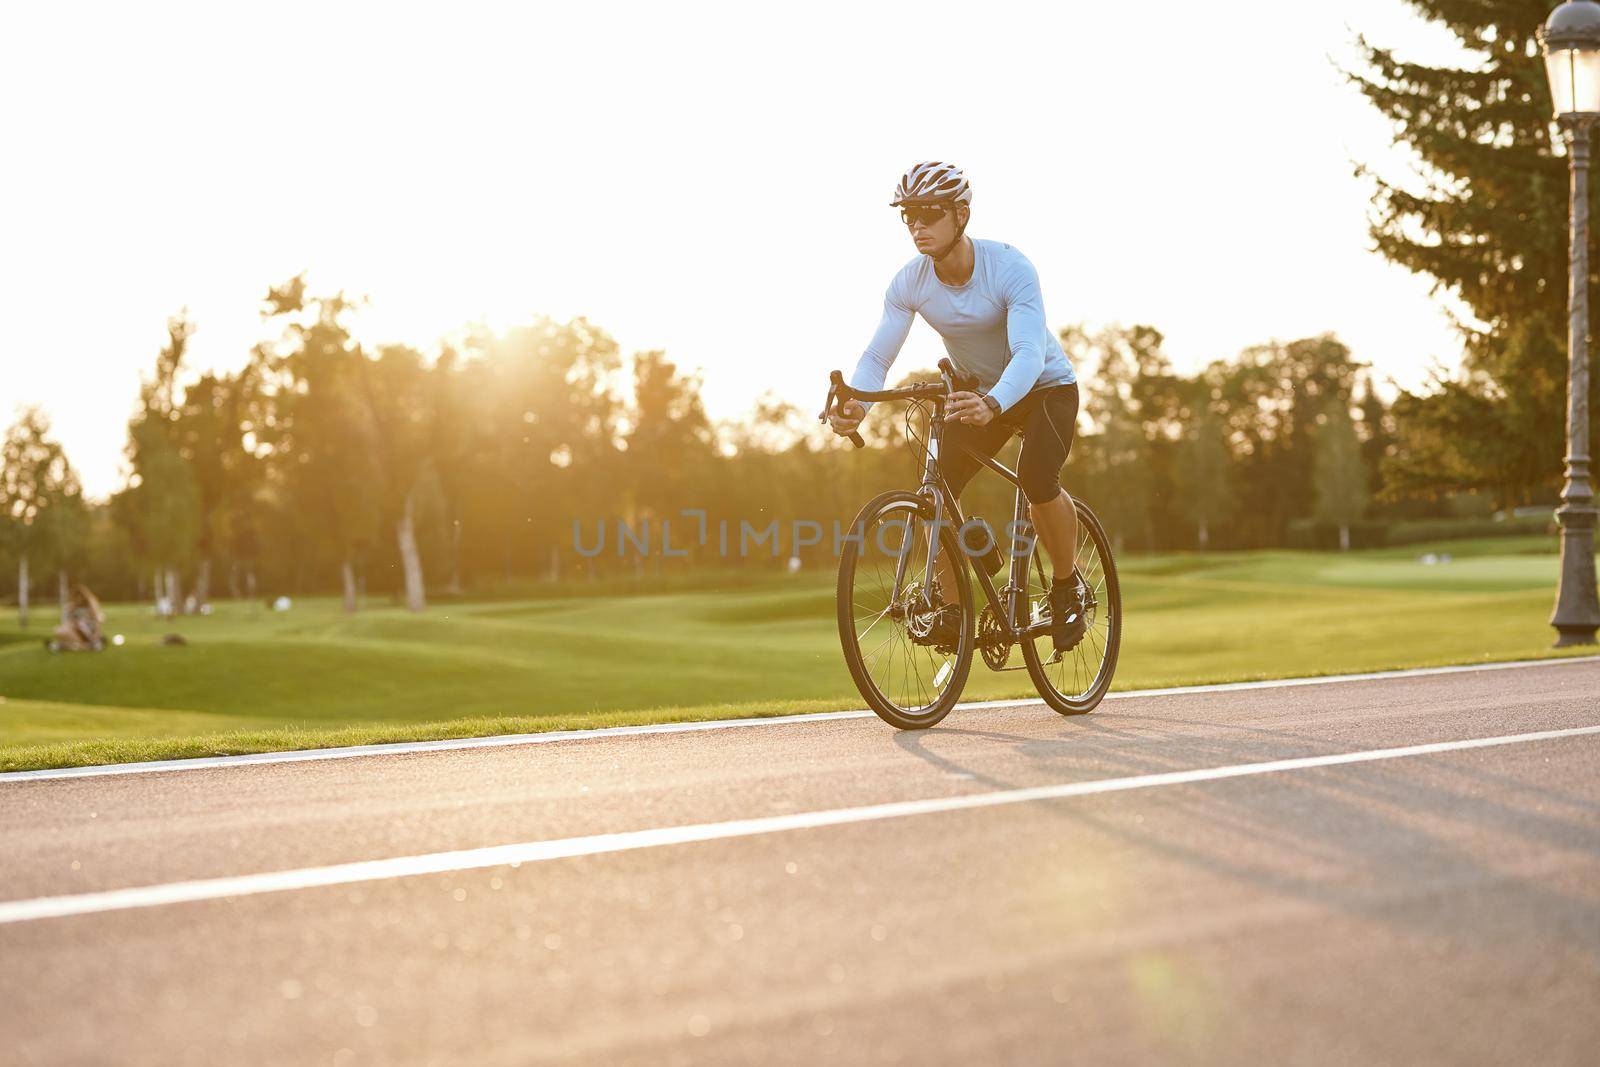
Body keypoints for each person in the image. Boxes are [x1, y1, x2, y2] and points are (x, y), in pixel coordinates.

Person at [828, 161, 1088, 652]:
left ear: (961, 214)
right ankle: (954, 606)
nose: (917, 226)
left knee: (1036, 478)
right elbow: (877, 356)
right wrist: (857, 405)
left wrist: (994, 402)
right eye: (908, 216)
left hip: (1045, 388)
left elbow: (1030, 355)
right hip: (980, 394)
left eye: (929, 213)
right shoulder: (909, 282)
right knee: (937, 490)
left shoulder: (1009, 268)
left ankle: (1064, 586)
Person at [48, 584, 106, 653]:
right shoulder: (70, 607)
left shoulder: (90, 605)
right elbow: (66, 622)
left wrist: (96, 634)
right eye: (76, 598)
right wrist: (68, 612)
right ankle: (83, 646)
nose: (78, 600)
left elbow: (96, 621)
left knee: (79, 623)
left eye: (80, 597)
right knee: (59, 630)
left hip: (88, 631)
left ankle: (69, 646)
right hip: (75, 630)